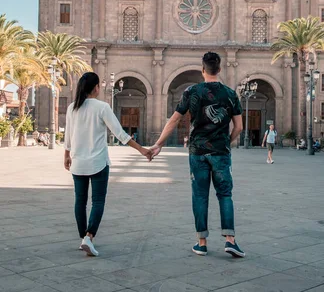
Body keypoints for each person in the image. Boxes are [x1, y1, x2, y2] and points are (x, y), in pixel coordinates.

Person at [150, 52, 245, 258]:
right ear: (219, 70)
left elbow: (174, 120)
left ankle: (201, 243)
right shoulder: (230, 94)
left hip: (197, 152)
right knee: (225, 194)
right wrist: (227, 142)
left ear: (203, 70)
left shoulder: (192, 92)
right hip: (221, 152)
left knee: (200, 196)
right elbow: (239, 127)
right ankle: (230, 240)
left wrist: (159, 144)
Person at [64, 72, 152, 257]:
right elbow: (120, 134)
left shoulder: (73, 108)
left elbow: (68, 136)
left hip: (78, 163)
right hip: (98, 163)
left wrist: (66, 155)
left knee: (80, 202)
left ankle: (83, 239)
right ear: (96, 87)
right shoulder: (102, 107)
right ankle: (89, 236)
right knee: (98, 201)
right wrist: (142, 150)